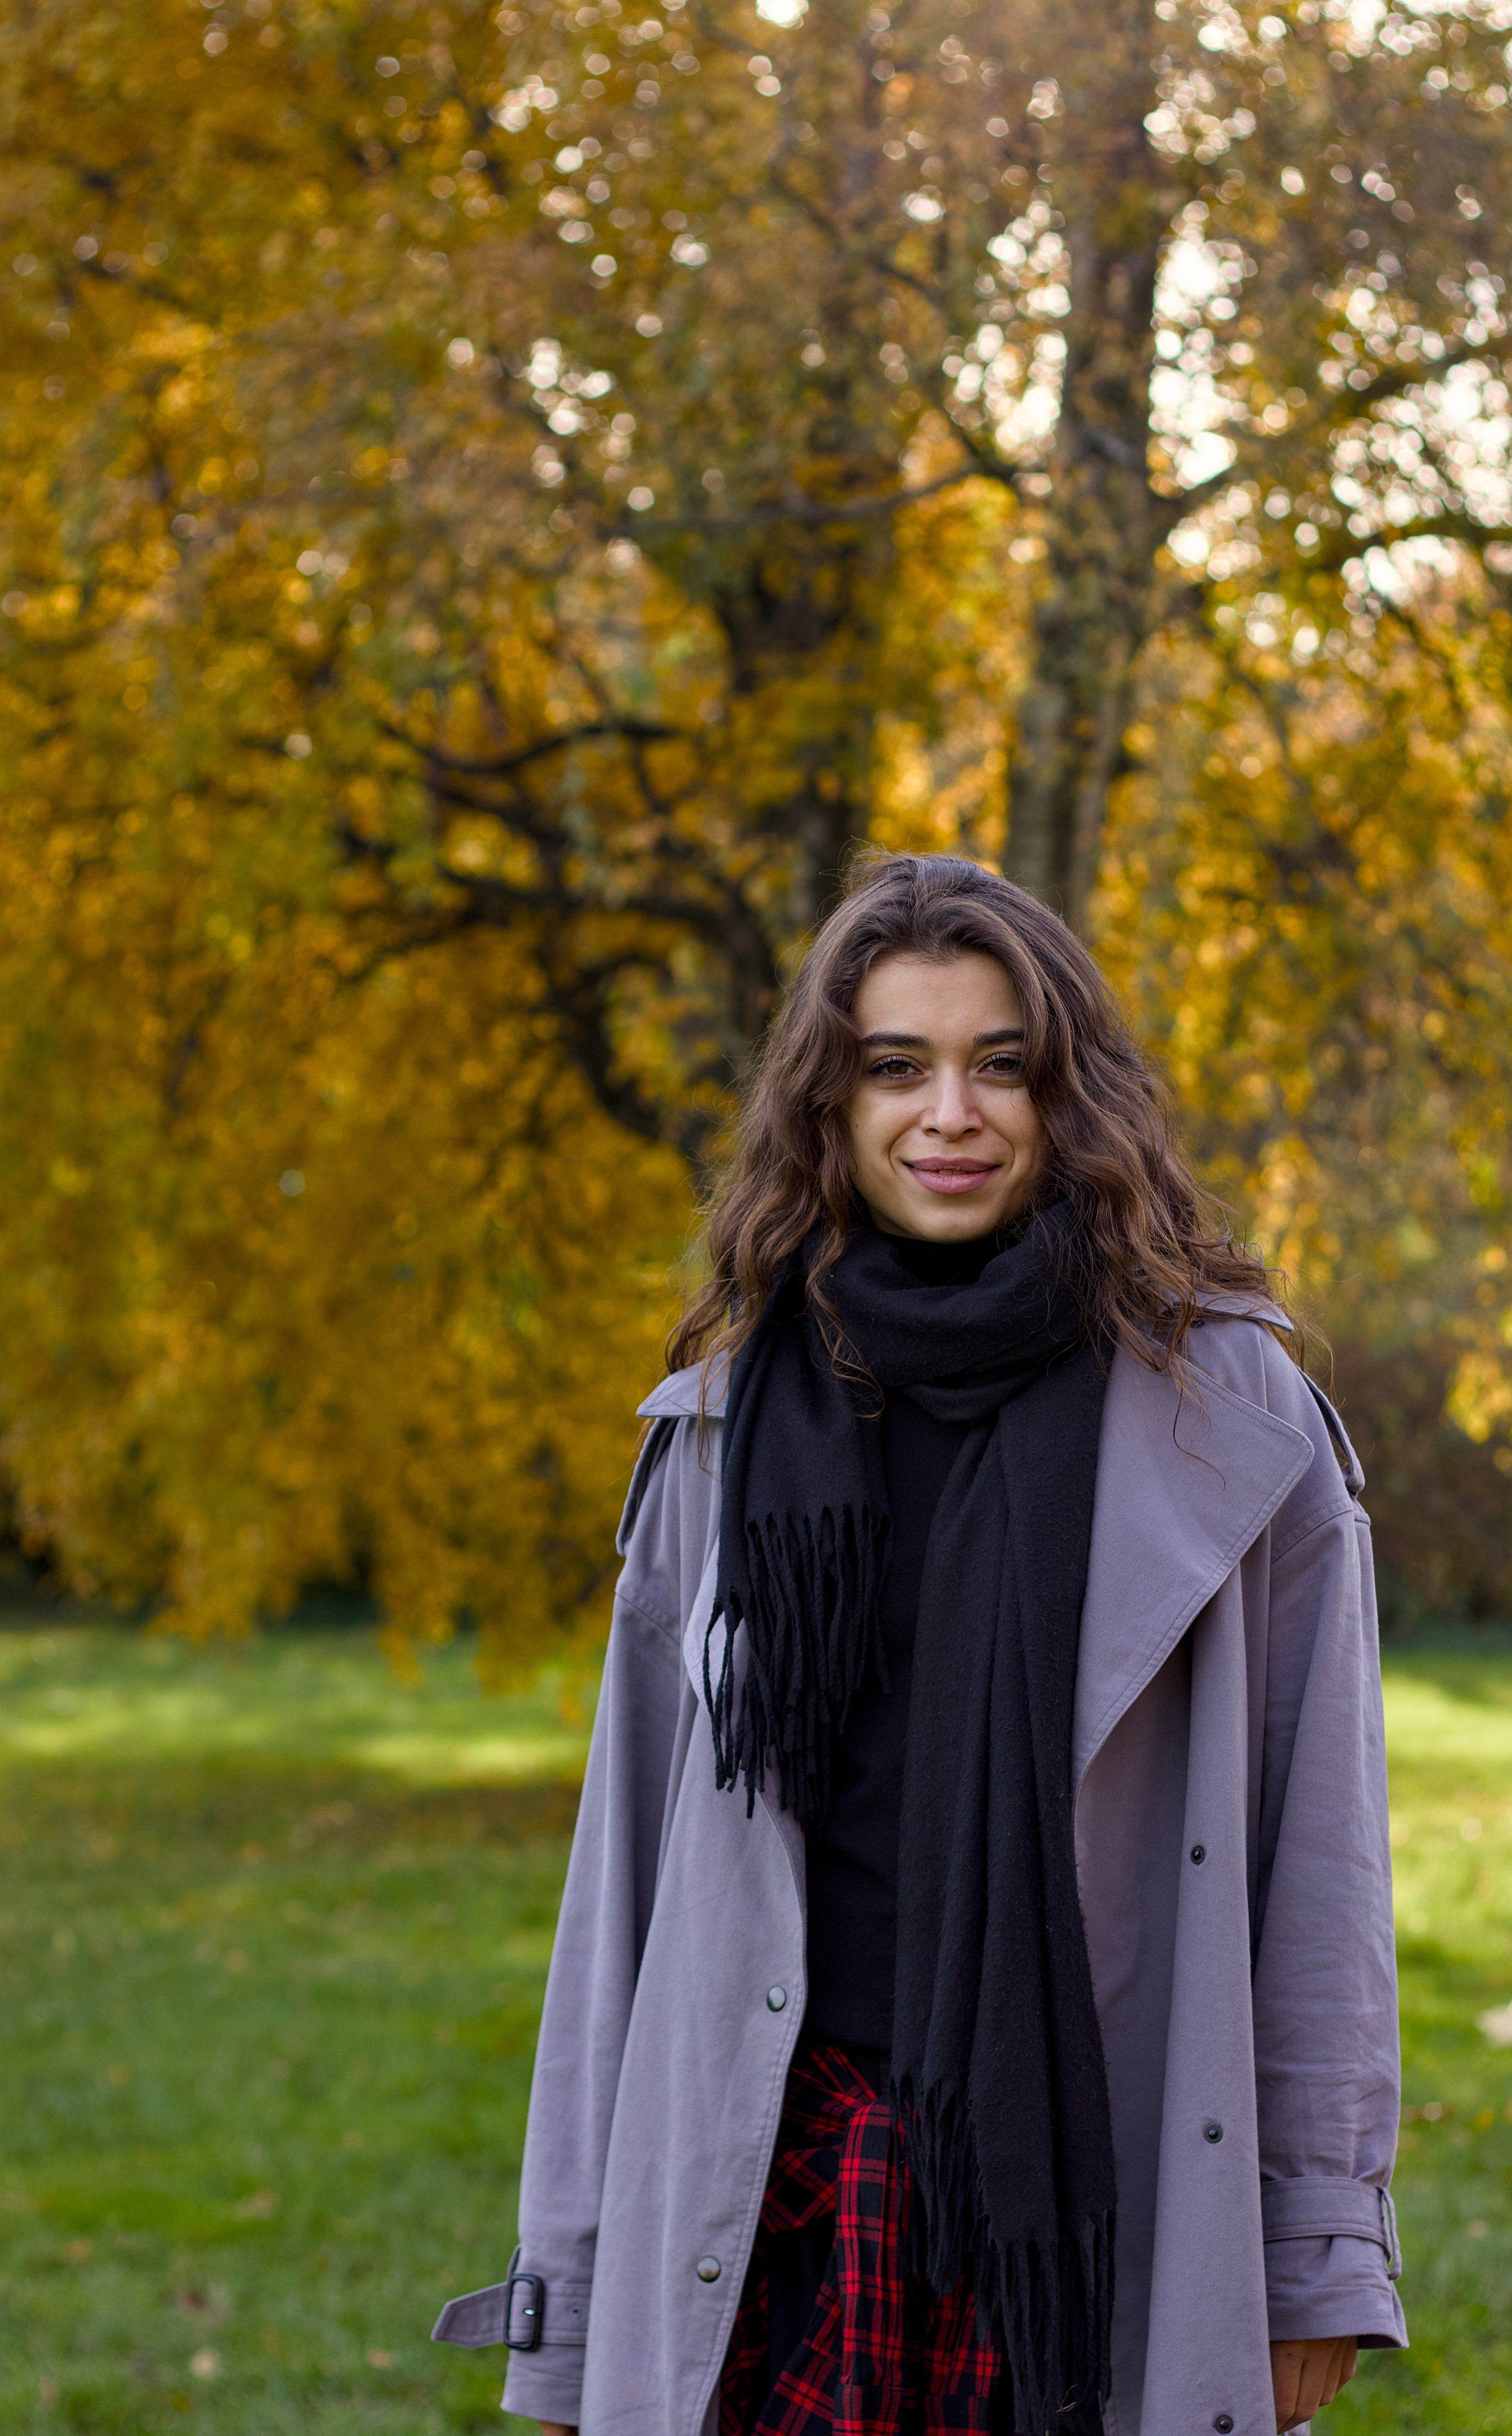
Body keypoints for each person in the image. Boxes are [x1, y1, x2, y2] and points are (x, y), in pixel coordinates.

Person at [433, 853, 1407, 2436]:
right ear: (831, 1105)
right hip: (774, 2184)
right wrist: (573, 2303)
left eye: (999, 1065)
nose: (947, 1112)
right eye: (896, 1067)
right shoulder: (725, 1424)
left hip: (1080, 2190)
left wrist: (1312, 2256)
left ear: (1066, 1097)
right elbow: (620, 1896)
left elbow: (1322, 1873)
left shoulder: (1228, 1417)